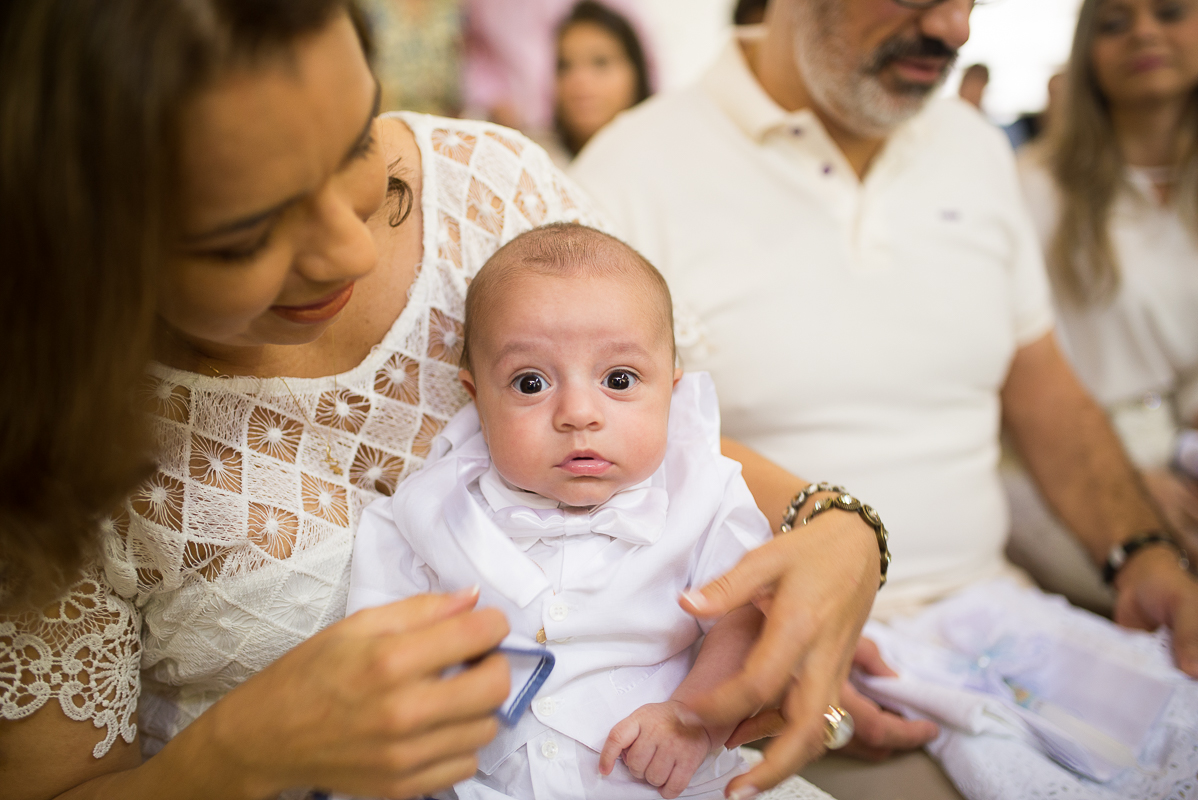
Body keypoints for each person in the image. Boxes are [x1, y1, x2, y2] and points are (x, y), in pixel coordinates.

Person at [0, 1, 886, 797]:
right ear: (84, 243)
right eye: (245, 237)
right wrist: (238, 753)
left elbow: (670, 445)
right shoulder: (46, 431)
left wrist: (840, 529)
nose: (349, 250)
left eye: (356, 144)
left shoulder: (492, 190)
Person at [570, 0, 1198, 797]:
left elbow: (1041, 388)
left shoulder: (973, 147)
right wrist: (778, 650)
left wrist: (1138, 551)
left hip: (998, 621)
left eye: (969, 1)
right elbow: (592, 455)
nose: (954, 30)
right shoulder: (630, 171)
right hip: (755, 658)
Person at [348, 223, 808, 799]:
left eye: (619, 379)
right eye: (530, 382)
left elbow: (746, 621)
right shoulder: (425, 513)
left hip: (666, 774)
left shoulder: (707, 494)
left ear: (671, 387)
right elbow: (373, 659)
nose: (577, 413)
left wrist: (694, 718)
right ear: (476, 397)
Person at [1009, 0, 1198, 611]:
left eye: (1170, 13)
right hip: (1074, 460)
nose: (1144, 32)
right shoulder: (1032, 188)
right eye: (1114, 23)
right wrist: (1123, 478)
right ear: (1087, 51)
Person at [553, 2, 652, 159]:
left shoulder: (664, 152)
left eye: (600, 62)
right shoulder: (531, 162)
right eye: (564, 66)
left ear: (636, 71)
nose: (579, 79)